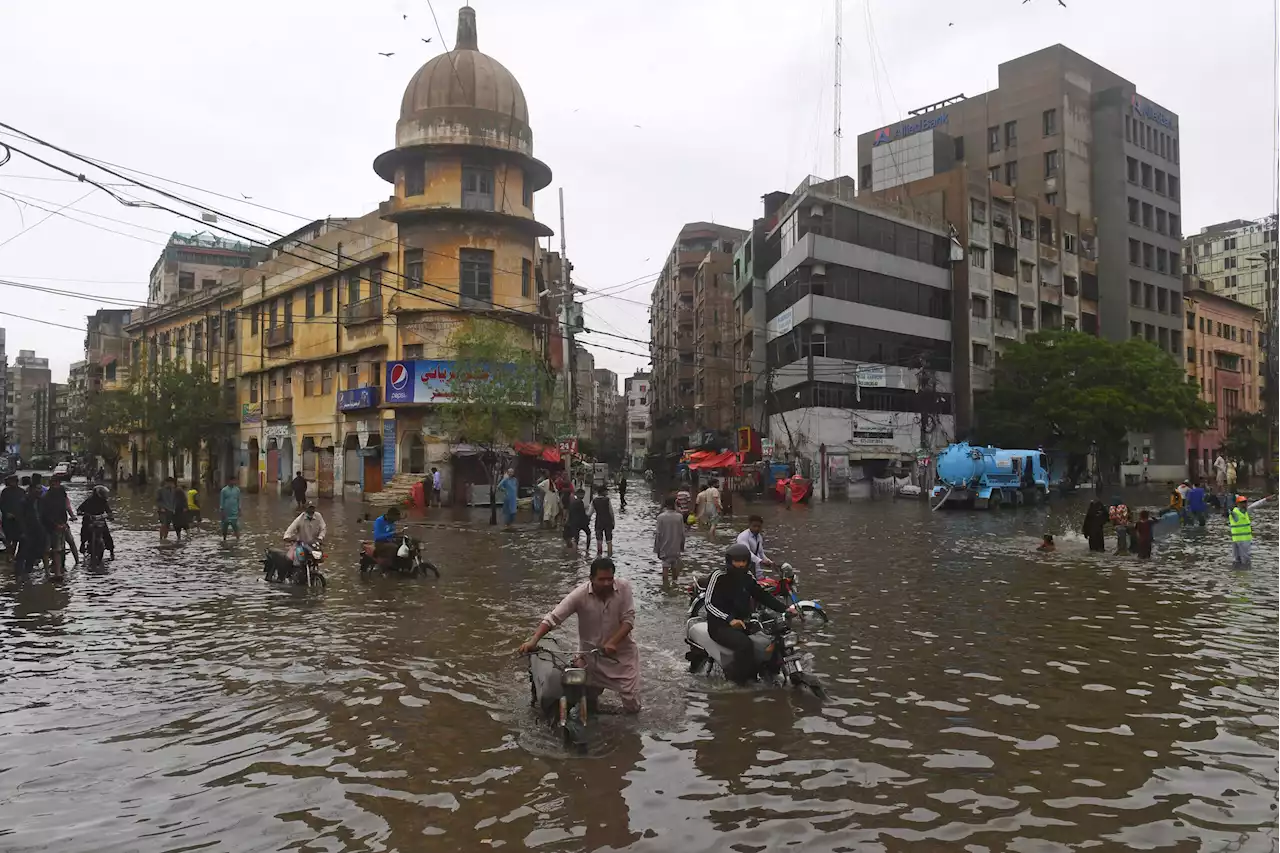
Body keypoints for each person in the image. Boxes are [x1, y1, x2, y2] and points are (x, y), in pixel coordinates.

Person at [518, 557, 640, 713]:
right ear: (591, 579)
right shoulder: (579, 595)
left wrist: (612, 642)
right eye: (601, 579)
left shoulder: (624, 588)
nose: (606, 583)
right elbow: (553, 618)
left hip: (622, 655)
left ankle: (629, 733)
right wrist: (533, 640)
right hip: (591, 655)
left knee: (631, 703)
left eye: (610, 579)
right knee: (588, 701)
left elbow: (628, 620)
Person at [704, 543, 797, 684]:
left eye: (743, 561)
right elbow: (708, 604)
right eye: (737, 561)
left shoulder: (747, 576)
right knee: (744, 644)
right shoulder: (718, 576)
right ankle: (741, 682)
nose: (741, 564)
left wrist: (785, 609)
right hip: (719, 626)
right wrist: (729, 619)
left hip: (742, 622)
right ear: (729, 561)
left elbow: (761, 595)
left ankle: (771, 673)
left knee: (770, 639)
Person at [1228, 493, 1276, 569]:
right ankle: (1237, 576)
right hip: (1236, 540)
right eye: (1242, 503)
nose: (1244, 504)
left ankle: (1244, 576)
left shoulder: (1247, 511)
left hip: (1245, 540)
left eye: (1245, 502)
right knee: (1236, 560)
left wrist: (1265, 500)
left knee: (1245, 560)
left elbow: (1255, 505)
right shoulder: (1234, 513)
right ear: (1238, 504)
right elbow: (1229, 510)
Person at [39, 474, 73, 579]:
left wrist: (64, 523)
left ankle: (58, 572)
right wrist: (56, 524)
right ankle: (47, 572)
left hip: (60, 525)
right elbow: (44, 515)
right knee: (47, 549)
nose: (56, 485)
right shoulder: (46, 498)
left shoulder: (61, 494)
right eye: (54, 483)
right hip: (47, 526)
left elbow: (64, 509)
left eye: (58, 483)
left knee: (58, 549)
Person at [654, 495, 686, 585]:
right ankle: (675, 585)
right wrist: (682, 547)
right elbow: (682, 534)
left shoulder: (660, 517)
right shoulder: (679, 517)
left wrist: (657, 549)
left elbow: (658, 534)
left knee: (665, 568)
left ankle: (665, 587)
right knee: (675, 567)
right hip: (676, 547)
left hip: (664, 547)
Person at [16, 478, 47, 576]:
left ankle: (27, 574)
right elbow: (20, 518)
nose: (40, 490)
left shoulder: (41, 501)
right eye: (37, 488)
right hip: (27, 531)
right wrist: (23, 532)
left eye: (40, 488)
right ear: (32, 489)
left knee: (33, 554)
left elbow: (43, 516)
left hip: (38, 532)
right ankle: (19, 575)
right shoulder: (24, 502)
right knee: (22, 554)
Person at [77, 485, 115, 560]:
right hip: (89, 520)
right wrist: (83, 513)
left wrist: (110, 516)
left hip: (100, 521)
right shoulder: (89, 500)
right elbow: (79, 509)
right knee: (84, 531)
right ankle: (82, 544)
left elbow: (109, 511)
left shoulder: (103, 502)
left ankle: (111, 551)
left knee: (107, 535)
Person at [735, 515, 774, 580]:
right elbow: (747, 553)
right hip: (743, 566)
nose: (756, 528)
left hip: (755, 567)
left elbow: (761, 553)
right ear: (749, 525)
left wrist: (770, 562)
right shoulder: (743, 536)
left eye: (759, 526)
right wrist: (761, 561)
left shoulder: (759, 537)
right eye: (754, 526)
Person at [1, 474, 24, 561]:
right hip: (7, 520)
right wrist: (7, 513)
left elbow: (24, 505)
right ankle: (9, 555)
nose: (12, 483)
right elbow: (2, 505)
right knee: (8, 538)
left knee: (16, 538)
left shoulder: (21, 491)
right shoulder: (5, 492)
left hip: (18, 519)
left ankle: (13, 555)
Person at [589, 485, 615, 557]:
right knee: (609, 540)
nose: (607, 492)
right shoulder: (607, 500)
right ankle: (610, 556)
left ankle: (599, 555)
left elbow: (590, 513)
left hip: (599, 522)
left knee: (599, 541)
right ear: (603, 492)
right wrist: (613, 522)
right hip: (608, 521)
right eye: (606, 491)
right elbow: (611, 512)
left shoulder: (594, 501)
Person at [219, 475, 242, 542]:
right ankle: (224, 539)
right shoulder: (224, 490)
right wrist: (222, 511)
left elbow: (239, 500)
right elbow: (221, 501)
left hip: (234, 512)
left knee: (236, 527)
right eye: (232, 480)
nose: (234, 482)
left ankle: (238, 540)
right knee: (224, 527)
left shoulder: (237, 490)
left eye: (235, 480)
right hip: (226, 512)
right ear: (229, 481)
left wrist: (239, 510)